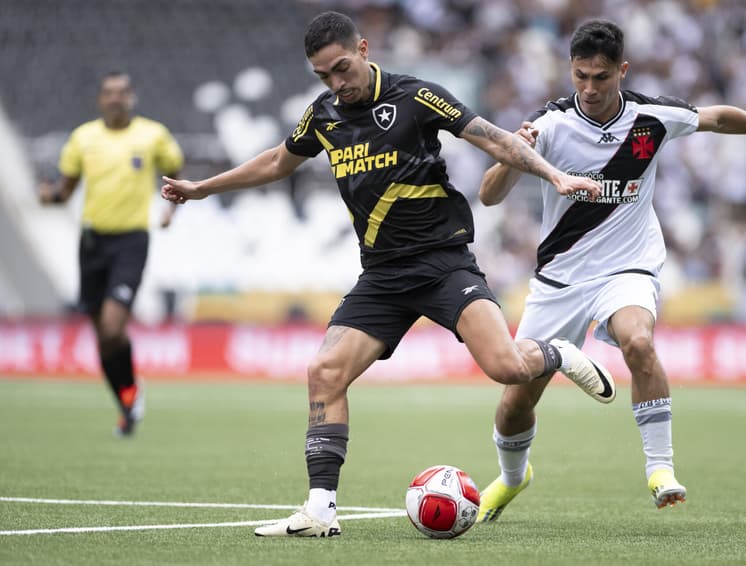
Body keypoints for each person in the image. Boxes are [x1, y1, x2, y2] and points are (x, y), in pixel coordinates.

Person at [161, 11, 616, 538]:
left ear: (364, 48)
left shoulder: (416, 96)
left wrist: (555, 174)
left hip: (444, 263)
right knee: (324, 373)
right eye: (324, 76)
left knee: (509, 368)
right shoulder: (324, 115)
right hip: (382, 276)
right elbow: (276, 162)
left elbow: (493, 139)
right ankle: (320, 509)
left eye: (342, 68)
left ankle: (559, 353)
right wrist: (202, 188)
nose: (336, 83)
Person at [474, 19, 746, 521]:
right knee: (513, 404)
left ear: (623, 70)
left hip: (628, 266)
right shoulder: (547, 125)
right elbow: (488, 194)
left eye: (601, 77)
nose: (589, 89)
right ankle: (512, 478)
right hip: (560, 279)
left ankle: (660, 469)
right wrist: (514, 153)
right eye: (580, 77)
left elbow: (717, 117)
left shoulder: (650, 117)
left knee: (638, 341)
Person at [40, 71, 184, 437]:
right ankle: (127, 399)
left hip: (131, 241)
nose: (115, 99)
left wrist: (170, 210)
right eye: (109, 93)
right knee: (102, 337)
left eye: (122, 92)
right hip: (92, 243)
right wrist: (49, 196)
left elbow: (175, 175)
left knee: (112, 327)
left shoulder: (153, 135)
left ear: (131, 97)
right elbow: (66, 191)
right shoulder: (83, 138)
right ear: (100, 99)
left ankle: (130, 391)